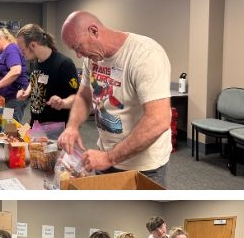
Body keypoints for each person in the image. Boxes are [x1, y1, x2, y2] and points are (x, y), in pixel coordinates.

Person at [54, 11, 175, 185]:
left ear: (94, 31)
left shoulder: (145, 55)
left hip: (143, 166)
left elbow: (159, 119)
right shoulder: (93, 57)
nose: (79, 55)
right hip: (104, 155)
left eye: (78, 47)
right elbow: (84, 95)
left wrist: (110, 158)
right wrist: (72, 127)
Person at [14, 24, 78, 129]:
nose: (21, 54)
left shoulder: (64, 64)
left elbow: (76, 97)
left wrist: (63, 102)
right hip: (36, 125)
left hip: (56, 129)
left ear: (33, 45)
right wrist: (27, 92)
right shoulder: (36, 61)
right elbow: (35, 78)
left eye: (22, 50)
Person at [0, 28, 28, 113]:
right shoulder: (2, 52)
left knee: (11, 124)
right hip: (4, 97)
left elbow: (16, 71)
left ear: (0, 38)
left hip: (14, 96)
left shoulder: (11, 49)